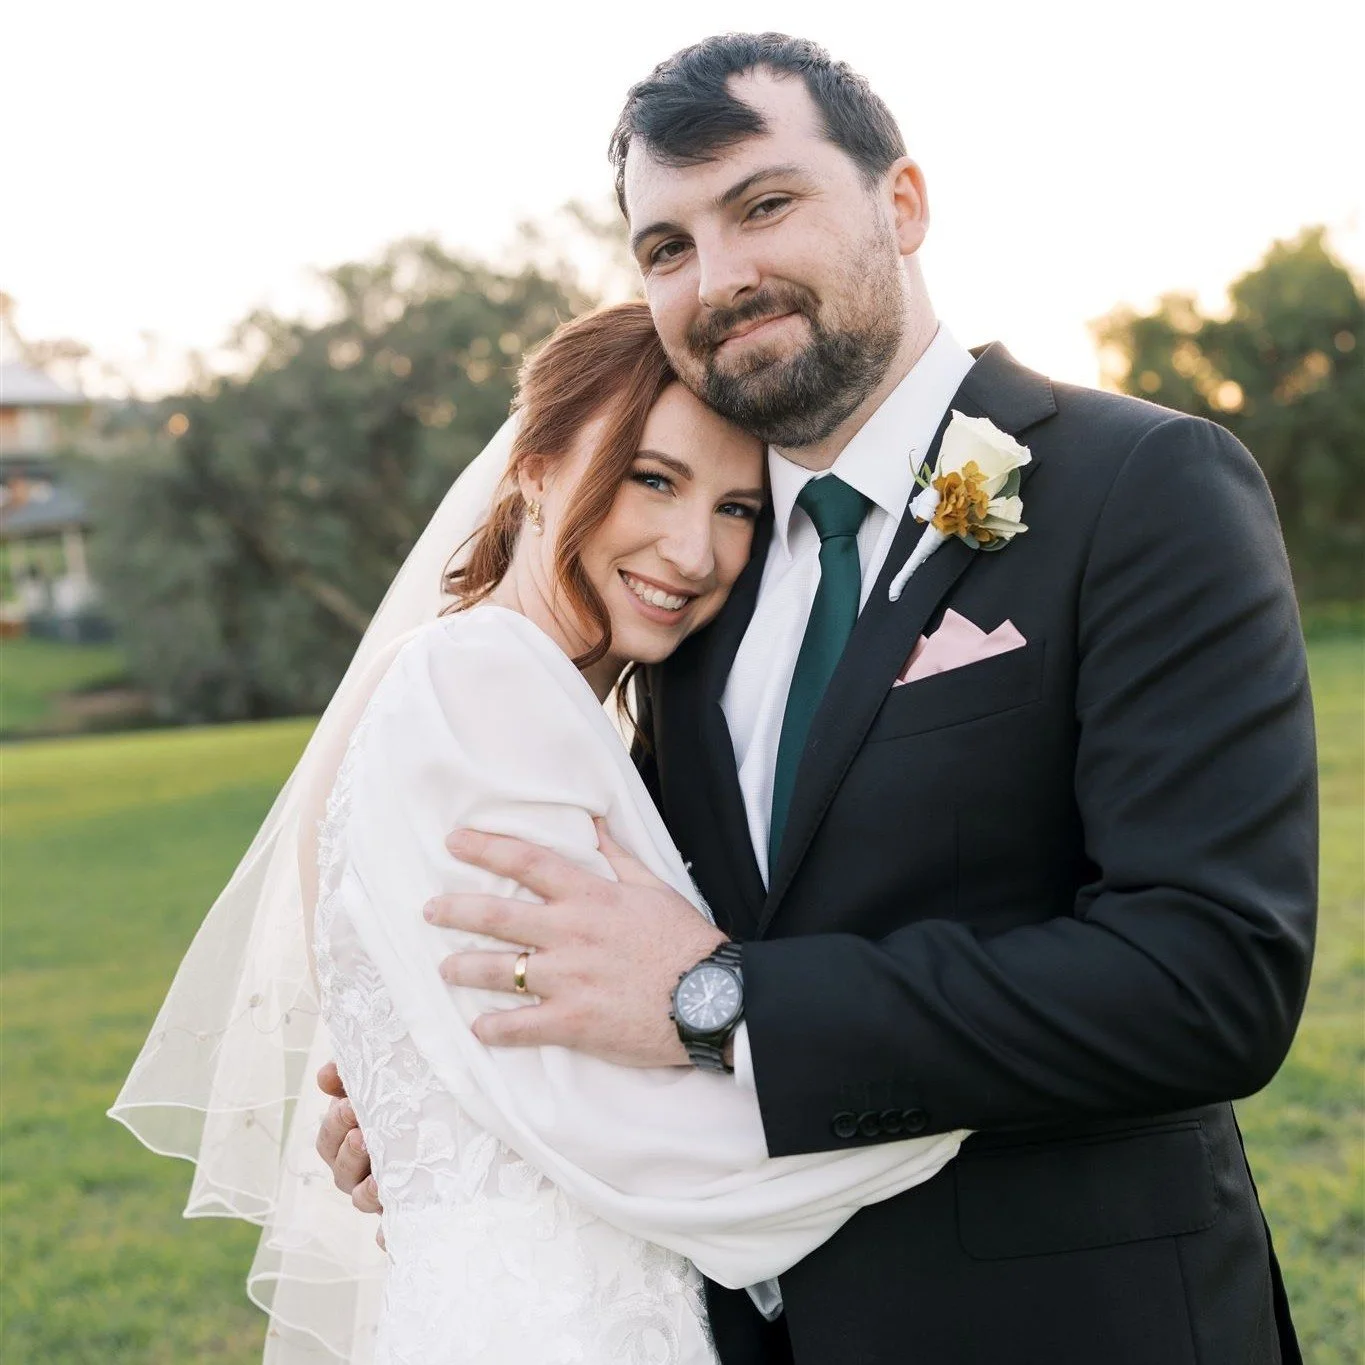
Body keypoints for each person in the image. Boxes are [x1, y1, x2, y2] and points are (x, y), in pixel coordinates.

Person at [319, 33, 1316, 1365]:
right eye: (665, 246)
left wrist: (723, 1001)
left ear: (901, 203)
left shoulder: (1143, 486)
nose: (717, 276)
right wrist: (464, 1096)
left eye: (763, 204)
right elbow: (616, 937)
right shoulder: (690, 600)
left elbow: (1208, 979)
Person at [114, 299, 967, 1365]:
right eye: (651, 479)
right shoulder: (477, 682)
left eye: (738, 508)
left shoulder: (493, 692)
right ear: (534, 468)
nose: (693, 550)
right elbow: (623, 1126)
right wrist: (981, 1087)